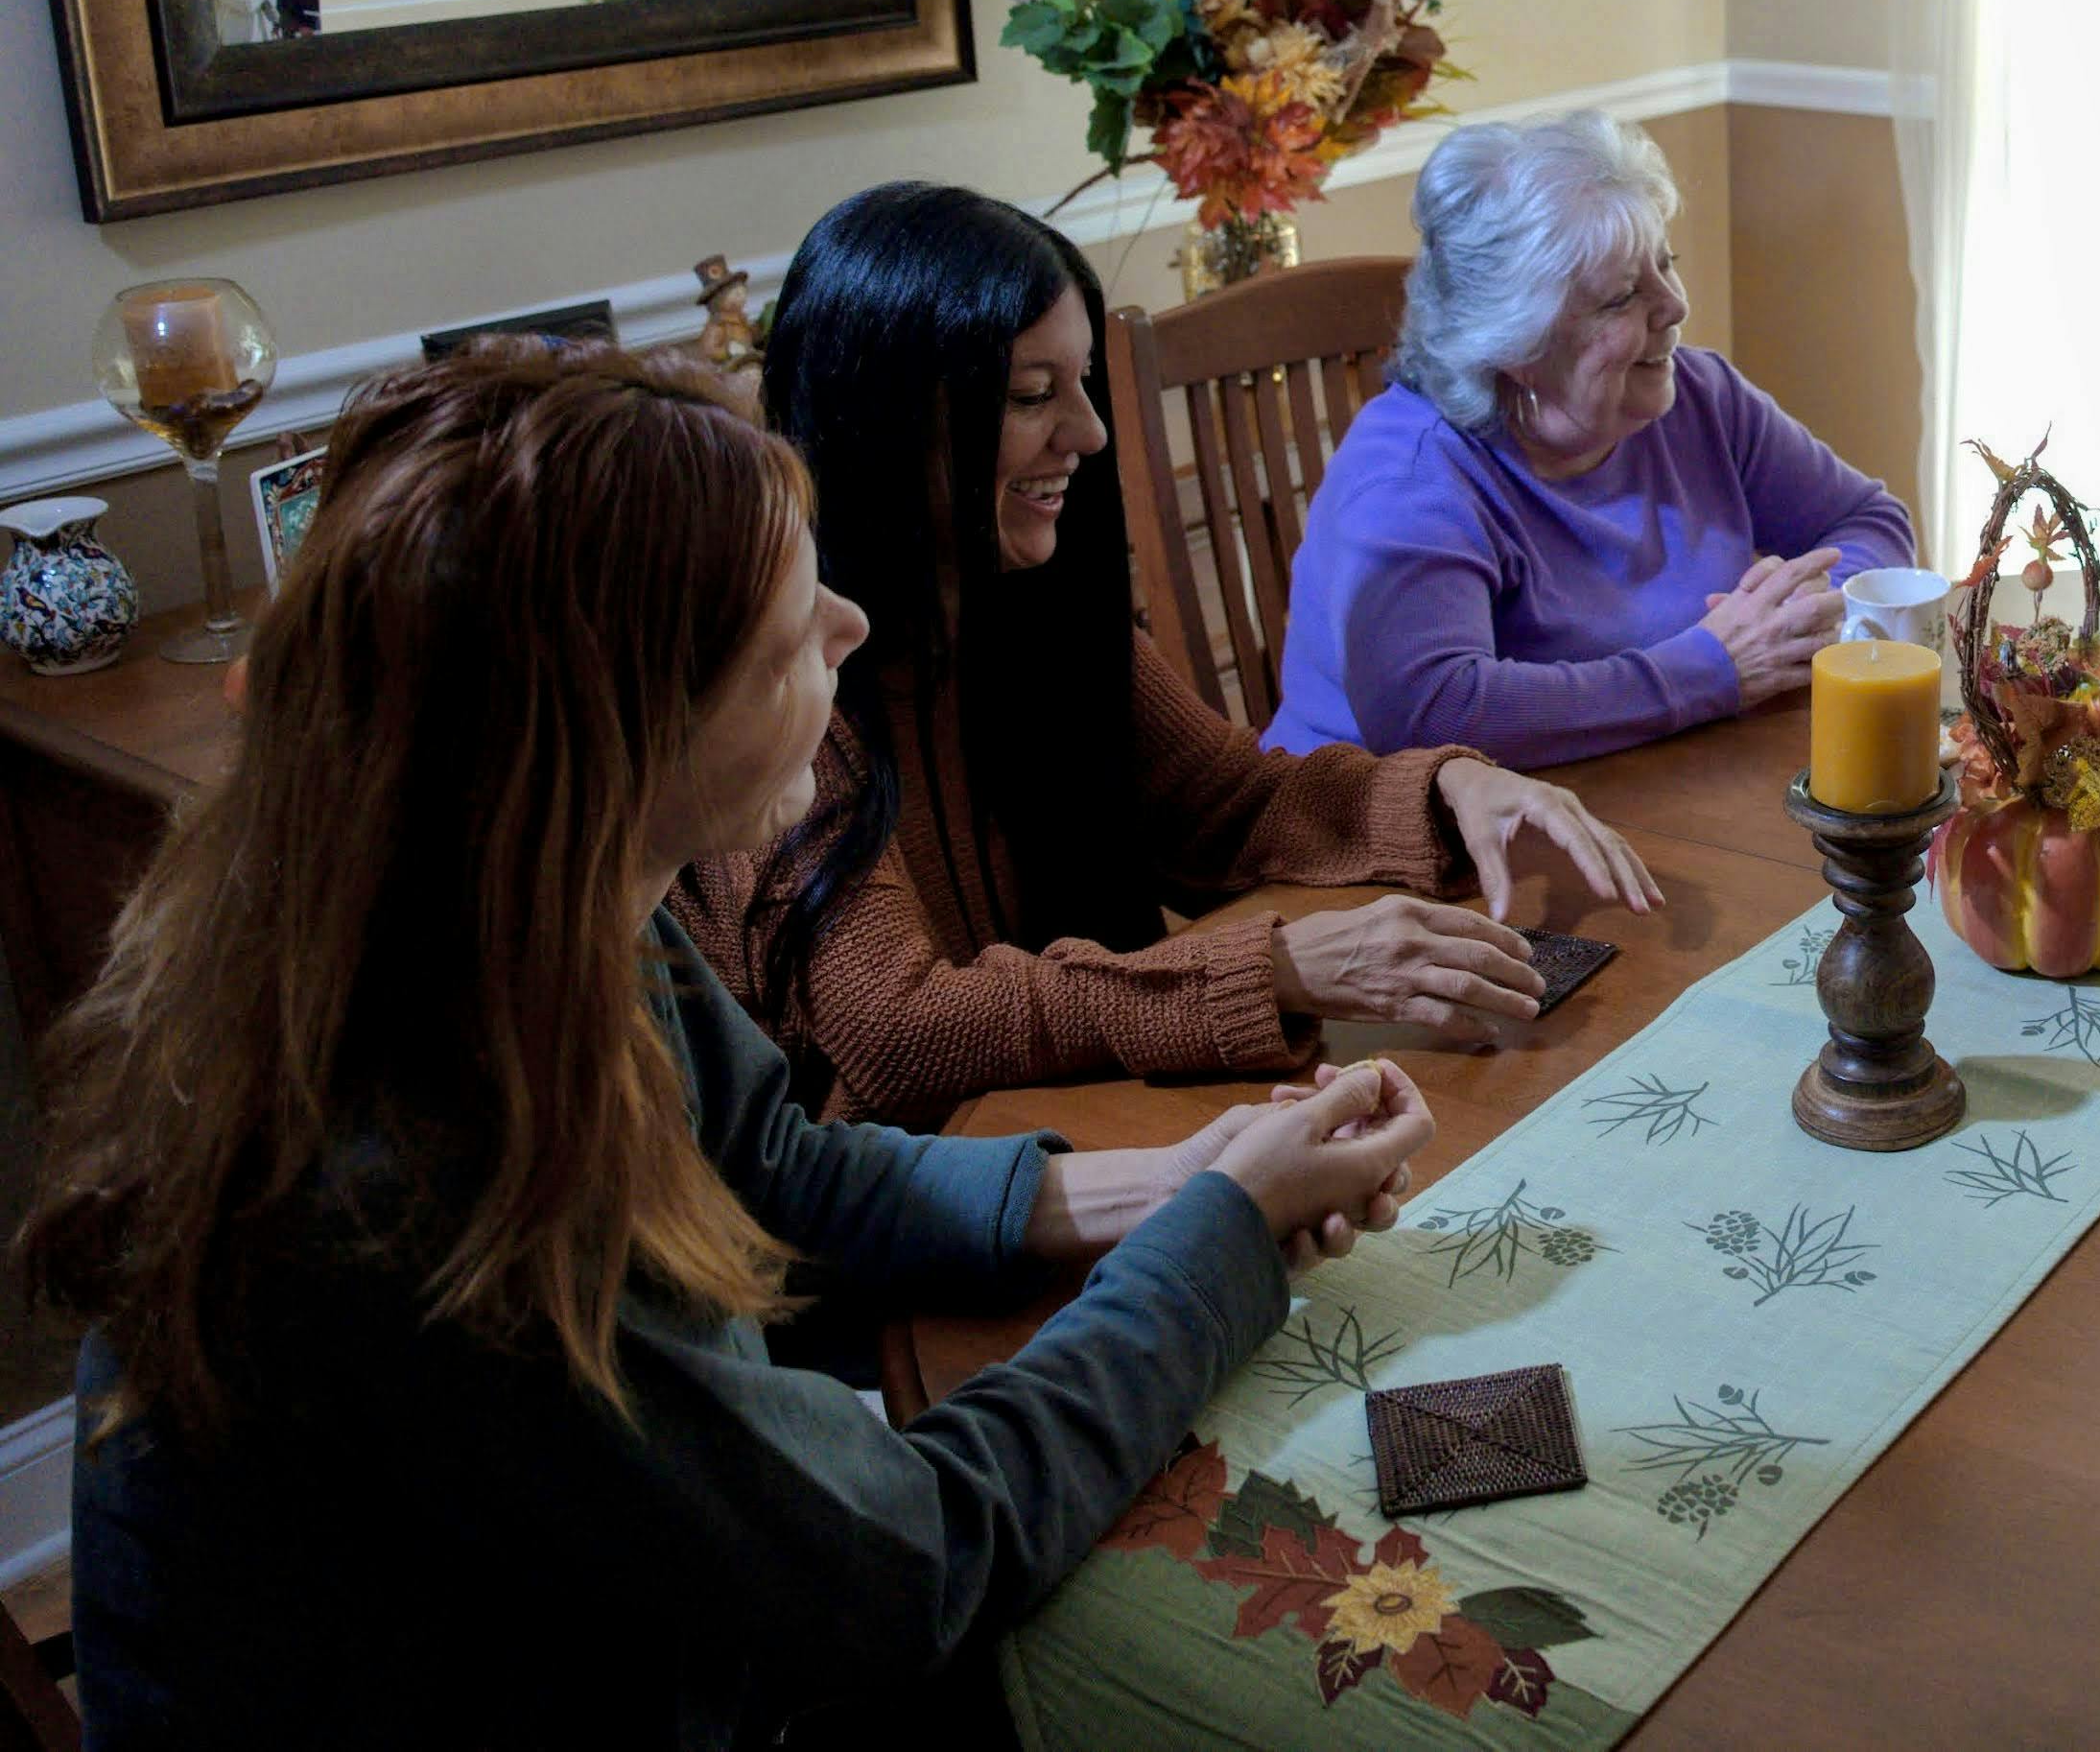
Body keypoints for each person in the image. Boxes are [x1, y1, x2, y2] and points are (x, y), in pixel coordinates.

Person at [31, 345, 1440, 1743]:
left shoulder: (527, 898)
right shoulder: (419, 1183)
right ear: (615, 727)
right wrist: (1220, 1246)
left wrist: (1175, 1184)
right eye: (785, 629)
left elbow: (769, 1161)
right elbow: (914, 1559)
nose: (849, 626)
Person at [673, 182, 1657, 1132]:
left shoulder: (1036, 609)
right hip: (898, 1226)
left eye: (1086, 384)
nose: (1090, 433)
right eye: (1031, 395)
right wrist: (1273, 970)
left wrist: (1448, 792)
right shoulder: (785, 688)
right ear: (886, 420)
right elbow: (898, 1028)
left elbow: (1225, 803)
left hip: (1068, 1130)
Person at [1263, 110, 1915, 763]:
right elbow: (1434, 711)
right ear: (1517, 344)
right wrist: (1712, 668)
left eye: (1668, 264)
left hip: (1648, 787)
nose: (1675, 306)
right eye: (1622, 297)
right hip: (1376, 836)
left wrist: (1806, 610)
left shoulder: (1699, 396)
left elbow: (1869, 520)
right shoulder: (1413, 477)